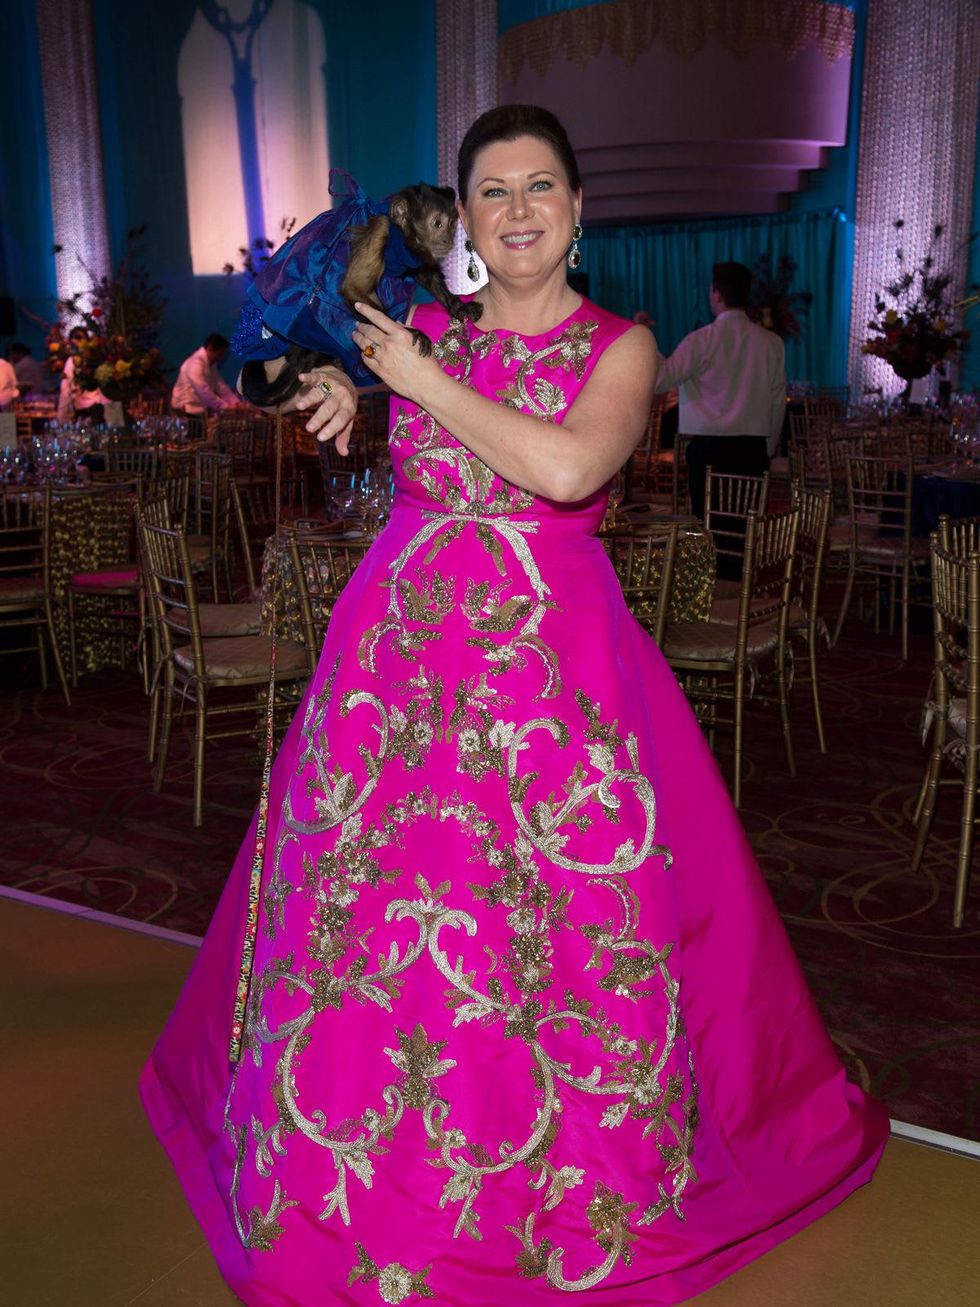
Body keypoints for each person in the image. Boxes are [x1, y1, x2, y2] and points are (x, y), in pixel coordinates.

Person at [141, 105, 886, 1306]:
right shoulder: (422, 325)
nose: (520, 210)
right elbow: (292, 381)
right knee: (369, 924)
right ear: (466, 217)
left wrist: (417, 381)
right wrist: (336, 387)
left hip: (550, 675)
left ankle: (538, 1178)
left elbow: (565, 469)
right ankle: (351, 1177)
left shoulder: (623, 345)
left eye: (541, 187)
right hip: (392, 667)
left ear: (579, 211)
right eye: (494, 191)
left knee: (543, 925)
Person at [655, 261, 786, 522]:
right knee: (744, 532)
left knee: (708, 529)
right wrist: (767, 450)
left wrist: (644, 340)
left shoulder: (701, 341)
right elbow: (777, 402)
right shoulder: (772, 343)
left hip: (709, 450)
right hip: (752, 449)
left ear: (716, 293)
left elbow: (660, 379)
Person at [171, 331, 239, 415]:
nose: (220, 358)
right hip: (184, 409)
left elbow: (220, 385)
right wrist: (226, 407)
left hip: (197, 409)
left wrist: (236, 402)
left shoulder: (211, 363)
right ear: (210, 348)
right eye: (219, 354)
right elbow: (203, 390)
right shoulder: (195, 364)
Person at [56, 326, 107, 424]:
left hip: (98, 405)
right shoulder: (72, 361)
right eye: (76, 338)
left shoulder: (96, 358)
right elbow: (66, 389)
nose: (79, 341)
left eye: (81, 338)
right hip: (81, 408)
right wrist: (62, 417)